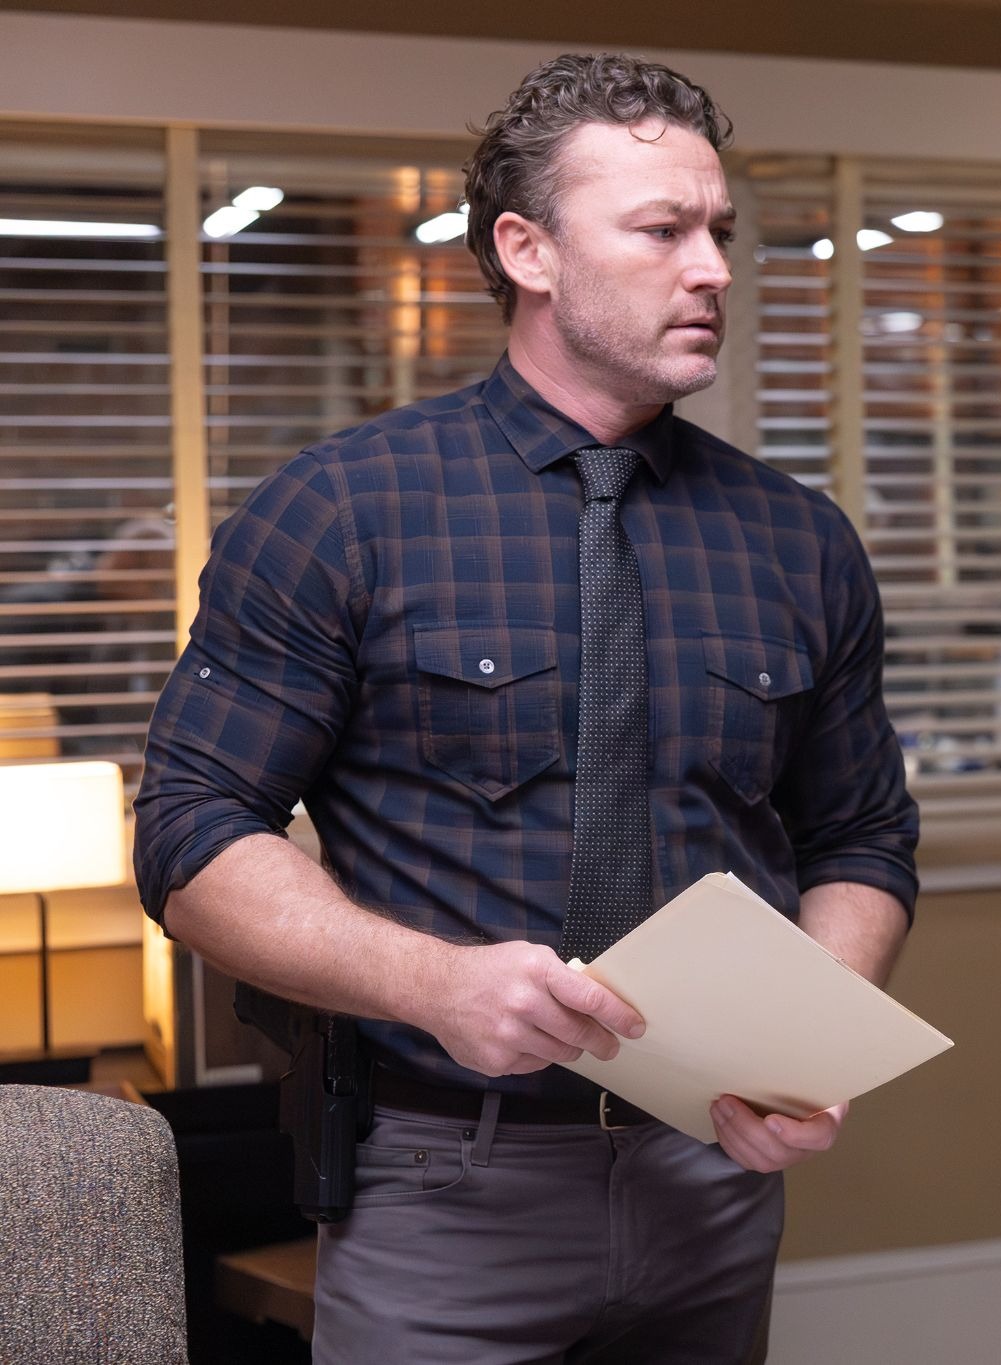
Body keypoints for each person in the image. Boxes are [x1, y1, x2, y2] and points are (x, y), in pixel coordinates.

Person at [132, 54, 918, 1363]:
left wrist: (810, 1044)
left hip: (714, 1189)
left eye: (720, 231)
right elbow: (190, 835)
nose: (713, 269)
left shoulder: (798, 540)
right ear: (527, 250)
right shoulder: (345, 510)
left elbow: (861, 838)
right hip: (445, 1185)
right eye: (662, 231)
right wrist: (435, 983)